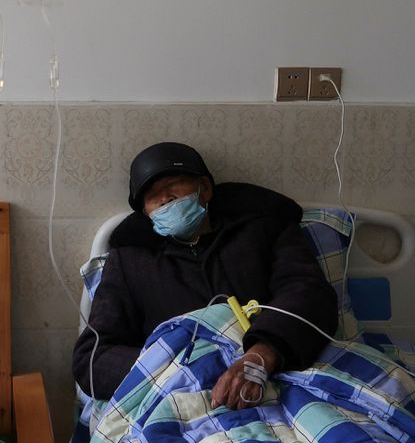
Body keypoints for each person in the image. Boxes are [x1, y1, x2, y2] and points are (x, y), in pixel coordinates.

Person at [73, 142, 338, 410]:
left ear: (205, 188)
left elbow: (309, 293)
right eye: (153, 196)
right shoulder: (130, 262)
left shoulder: (264, 230)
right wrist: (186, 366)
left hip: (283, 371)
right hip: (183, 396)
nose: (166, 198)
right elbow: (93, 360)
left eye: (175, 184)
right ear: (146, 213)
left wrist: (261, 355)